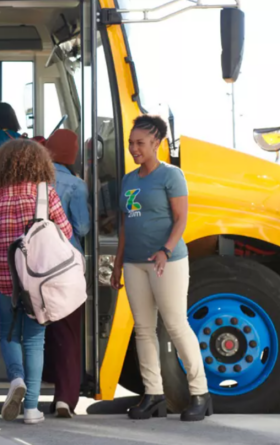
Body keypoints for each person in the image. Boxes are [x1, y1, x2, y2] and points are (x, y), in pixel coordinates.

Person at [110, 115, 211, 422]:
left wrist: (166, 251)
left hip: (167, 262)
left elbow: (181, 218)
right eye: (131, 143)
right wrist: (117, 262)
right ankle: (153, 395)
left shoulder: (171, 175)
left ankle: (200, 393)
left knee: (176, 325)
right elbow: (126, 224)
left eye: (140, 143)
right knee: (142, 330)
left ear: (156, 143)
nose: (133, 148)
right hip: (134, 263)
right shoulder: (129, 180)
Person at [0, 139, 73, 425]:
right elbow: (65, 231)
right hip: (39, 281)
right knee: (34, 340)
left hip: (6, 278)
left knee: (8, 332)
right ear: (39, 163)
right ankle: (31, 409)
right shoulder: (46, 194)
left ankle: (16, 378)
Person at [41, 129, 90, 418]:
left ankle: (32, 390)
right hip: (66, 266)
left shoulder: (33, 182)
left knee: (37, 332)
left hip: (35, 266)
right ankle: (64, 399)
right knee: (68, 333)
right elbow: (82, 229)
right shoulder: (76, 185)